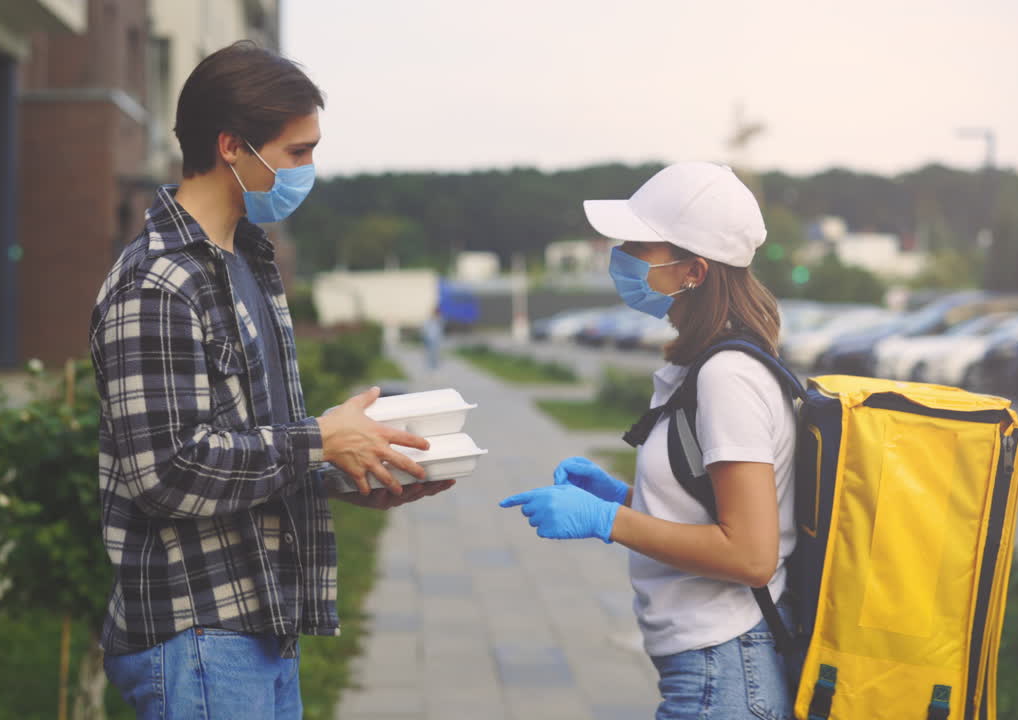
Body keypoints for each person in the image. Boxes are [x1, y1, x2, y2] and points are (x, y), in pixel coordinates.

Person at [89, 41, 453, 720]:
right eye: (296, 152)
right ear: (232, 145)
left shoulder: (245, 262)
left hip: (256, 630)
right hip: (194, 637)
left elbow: (242, 445)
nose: (309, 170)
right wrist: (317, 439)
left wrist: (345, 474)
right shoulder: (158, 283)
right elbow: (167, 471)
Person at [500, 162, 797, 719]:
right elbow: (712, 516)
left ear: (694, 272)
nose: (623, 256)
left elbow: (752, 554)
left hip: (723, 670)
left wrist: (606, 521)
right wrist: (626, 499)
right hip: (711, 665)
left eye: (641, 244)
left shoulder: (727, 376)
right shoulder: (705, 365)